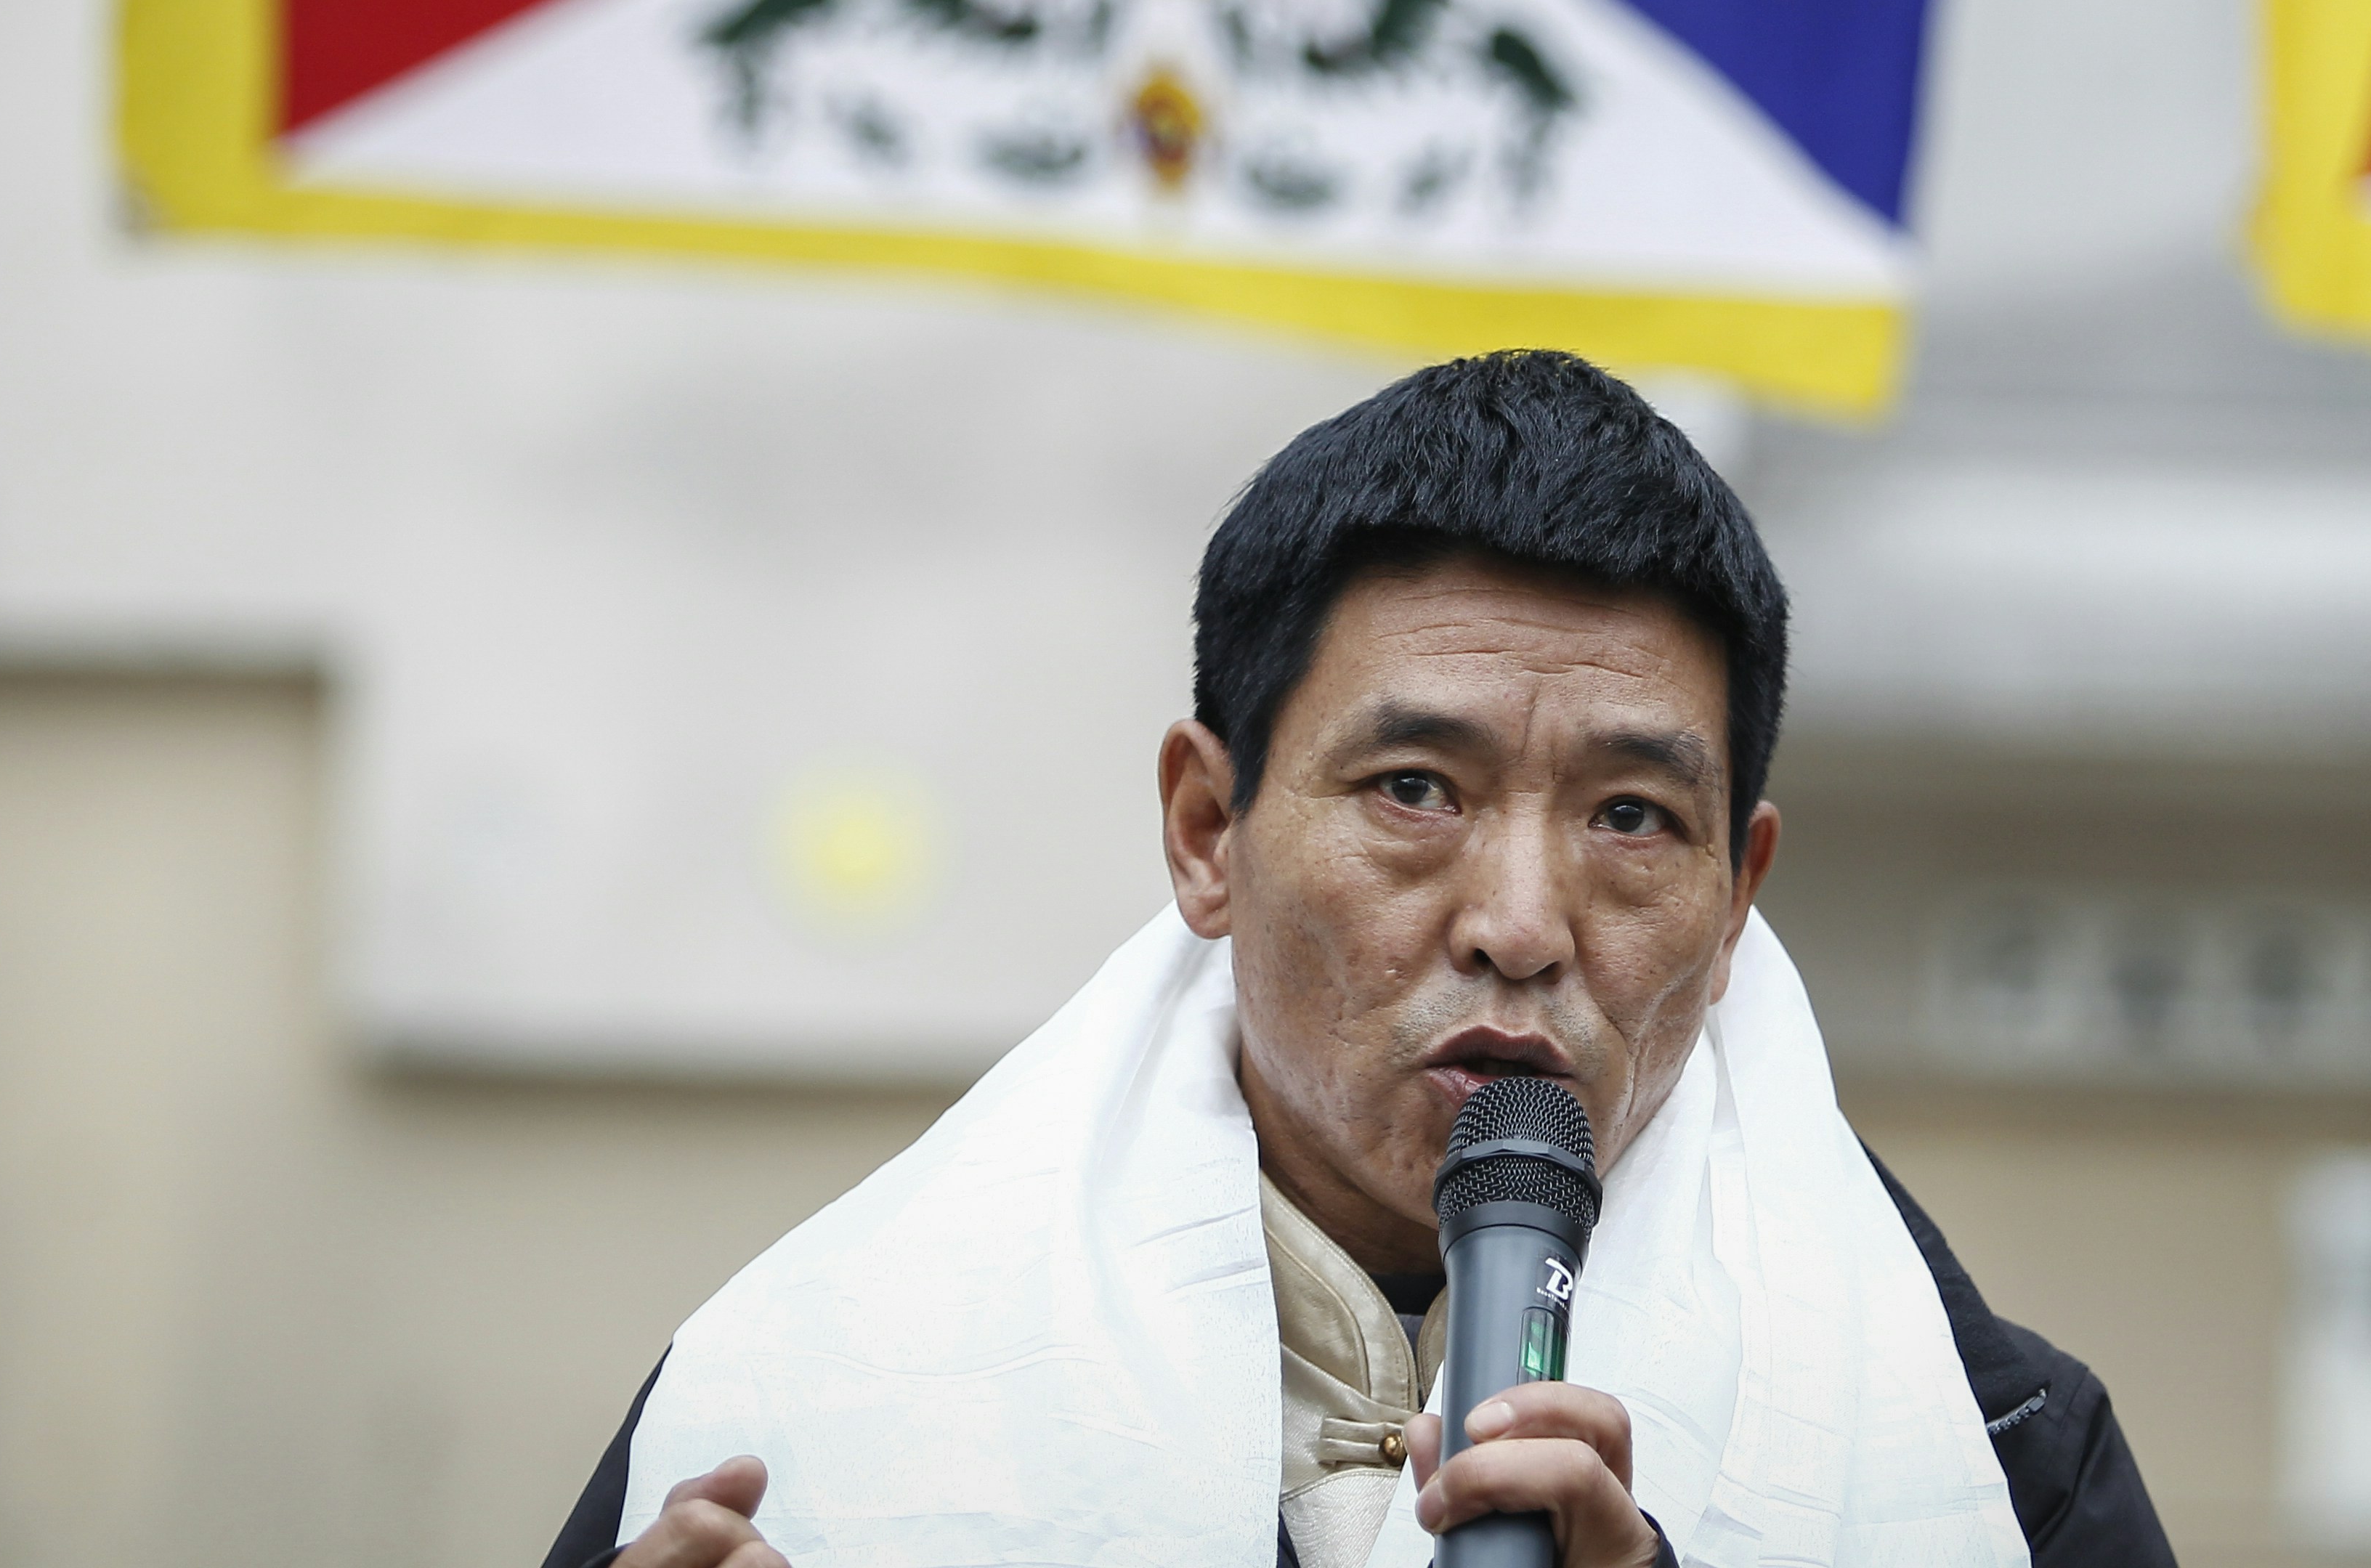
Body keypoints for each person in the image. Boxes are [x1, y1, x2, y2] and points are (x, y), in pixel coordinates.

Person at [543, 352, 2171, 1568]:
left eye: (1629, 816)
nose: (1522, 925)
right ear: (1206, 829)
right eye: (1416, 792)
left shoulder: (1996, 1455)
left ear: (1738, 894)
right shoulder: (809, 1399)